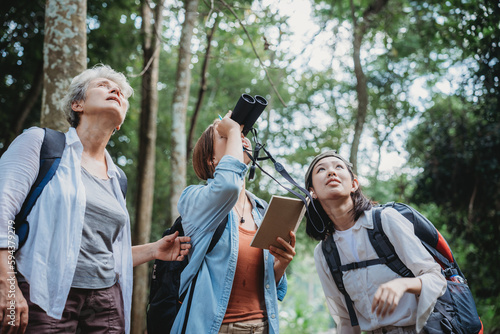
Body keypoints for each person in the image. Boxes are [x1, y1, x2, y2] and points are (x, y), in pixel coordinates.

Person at [0, 64, 191, 334]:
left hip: (106, 303)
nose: (115, 90)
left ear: (120, 122)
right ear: (77, 104)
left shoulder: (117, 179)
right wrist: (6, 284)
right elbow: (1, 213)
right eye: (103, 85)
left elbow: (102, 253)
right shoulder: (40, 143)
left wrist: (153, 250)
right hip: (44, 294)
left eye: (121, 93)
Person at [170, 113, 296, 334]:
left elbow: (268, 287)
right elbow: (228, 186)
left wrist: (281, 264)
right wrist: (233, 129)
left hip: (263, 326)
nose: (237, 136)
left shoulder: (261, 209)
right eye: (225, 136)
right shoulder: (193, 198)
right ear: (212, 160)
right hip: (216, 328)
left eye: (239, 134)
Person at [304, 150, 447, 334]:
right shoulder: (324, 253)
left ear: (354, 184)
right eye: (321, 170)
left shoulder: (385, 220)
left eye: (338, 167)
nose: (331, 172)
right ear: (312, 192)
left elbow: (436, 278)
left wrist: (403, 285)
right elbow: (346, 321)